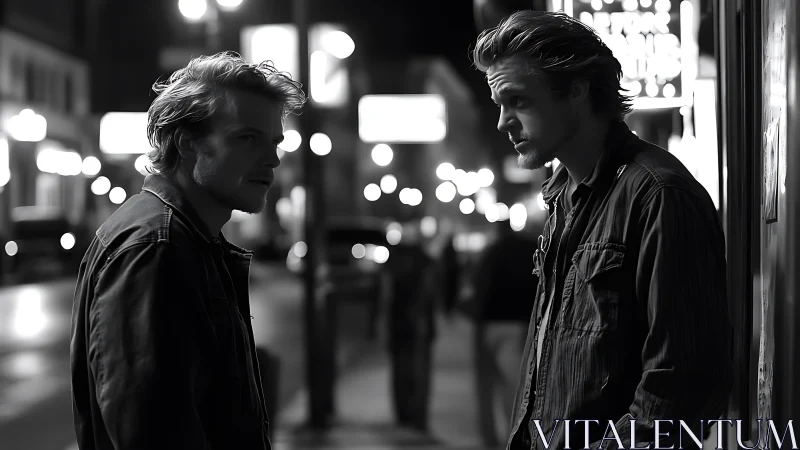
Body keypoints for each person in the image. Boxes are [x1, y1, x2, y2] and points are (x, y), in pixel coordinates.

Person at [471, 11, 734, 450]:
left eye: (519, 101)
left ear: (577, 90)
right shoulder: (563, 198)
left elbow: (681, 390)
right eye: (500, 104)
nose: (503, 122)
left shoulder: (658, 195)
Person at [70, 52, 305, 450]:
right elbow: (150, 431)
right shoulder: (155, 248)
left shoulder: (190, 240)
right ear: (187, 143)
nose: (273, 158)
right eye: (247, 138)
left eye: (274, 141)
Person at [465, 219, 538, 448]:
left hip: (489, 323)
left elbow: (478, 285)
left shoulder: (492, 252)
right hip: (519, 324)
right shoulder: (528, 250)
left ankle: (489, 438)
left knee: (486, 386)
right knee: (514, 385)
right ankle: (513, 436)